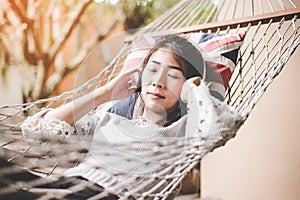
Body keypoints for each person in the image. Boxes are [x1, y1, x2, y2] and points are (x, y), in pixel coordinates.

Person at [20, 35, 242, 199]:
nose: (158, 81)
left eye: (173, 75)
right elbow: (37, 131)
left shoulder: (185, 131)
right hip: (67, 187)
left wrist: (191, 91)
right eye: (152, 70)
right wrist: (106, 92)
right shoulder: (108, 120)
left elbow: (221, 126)